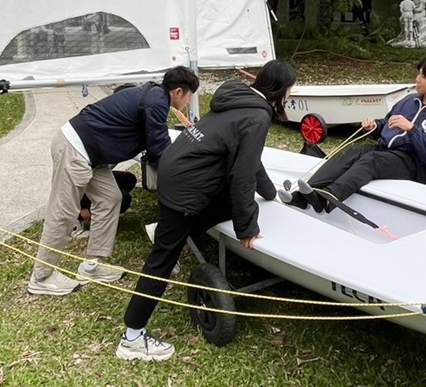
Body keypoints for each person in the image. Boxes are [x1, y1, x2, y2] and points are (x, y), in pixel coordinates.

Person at [116, 59, 297, 362]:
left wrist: (269, 194)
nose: (291, 93)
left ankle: (162, 230)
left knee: (224, 203)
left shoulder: (238, 97)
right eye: (291, 87)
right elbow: (242, 173)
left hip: (174, 169)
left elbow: (250, 161)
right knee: (161, 261)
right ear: (281, 88)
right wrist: (247, 227)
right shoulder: (257, 117)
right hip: (185, 186)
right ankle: (132, 337)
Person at [27, 66, 200, 296]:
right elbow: (159, 149)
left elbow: (154, 142)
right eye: (190, 96)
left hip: (91, 155)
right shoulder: (157, 101)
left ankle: (90, 267)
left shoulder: (153, 95)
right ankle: (41, 277)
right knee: (63, 212)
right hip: (75, 149)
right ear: (179, 91)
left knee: (110, 198)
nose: (188, 102)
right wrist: (183, 176)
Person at [280, 56, 426, 213]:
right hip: (385, 150)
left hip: (412, 164)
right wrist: (374, 126)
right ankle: (303, 195)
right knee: (351, 153)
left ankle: (328, 198)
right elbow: (386, 126)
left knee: (372, 161)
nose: (418, 79)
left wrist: (413, 130)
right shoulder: (409, 101)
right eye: (419, 73)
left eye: (424, 76)